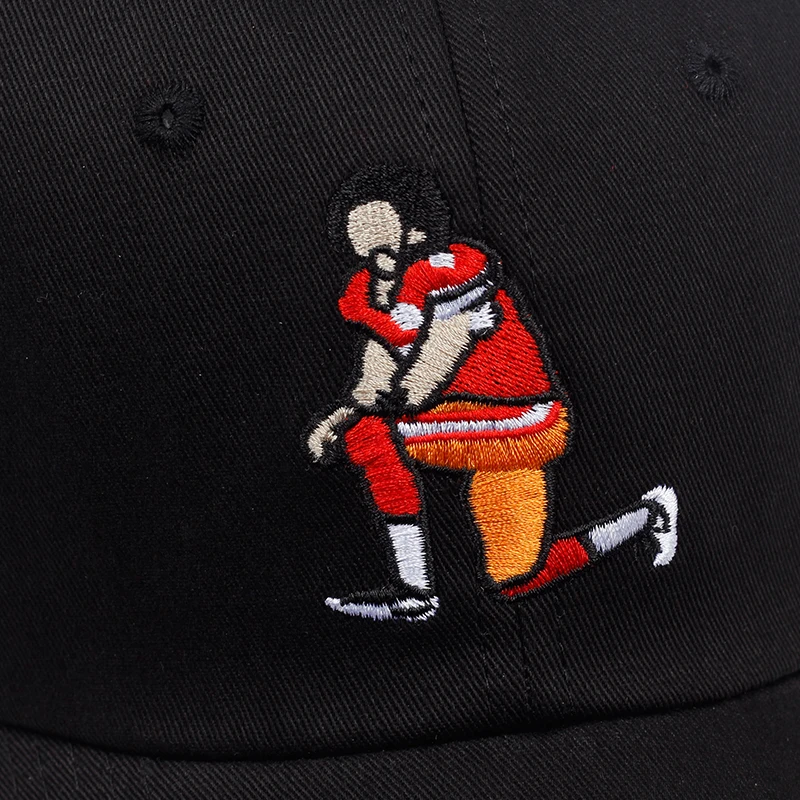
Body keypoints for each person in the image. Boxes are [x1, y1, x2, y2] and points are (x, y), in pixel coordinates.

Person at [308, 166, 677, 621]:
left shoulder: (448, 270)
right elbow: (373, 378)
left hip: (525, 419)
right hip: (480, 429)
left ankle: (414, 589)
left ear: (418, 232)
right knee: (519, 577)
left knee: (374, 436)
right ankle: (646, 516)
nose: (377, 263)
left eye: (385, 250)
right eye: (367, 254)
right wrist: (338, 418)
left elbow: (438, 358)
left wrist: (382, 408)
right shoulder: (372, 293)